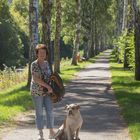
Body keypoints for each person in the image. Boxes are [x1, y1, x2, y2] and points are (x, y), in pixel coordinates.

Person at [30, 44, 55, 140]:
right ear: (37, 54)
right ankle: (40, 133)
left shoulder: (47, 63)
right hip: (37, 92)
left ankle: (51, 132)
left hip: (48, 92)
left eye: (44, 52)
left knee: (50, 111)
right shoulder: (34, 64)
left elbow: (49, 76)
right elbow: (36, 79)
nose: (42, 54)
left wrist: (54, 86)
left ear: (46, 54)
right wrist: (48, 86)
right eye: (40, 52)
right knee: (39, 112)